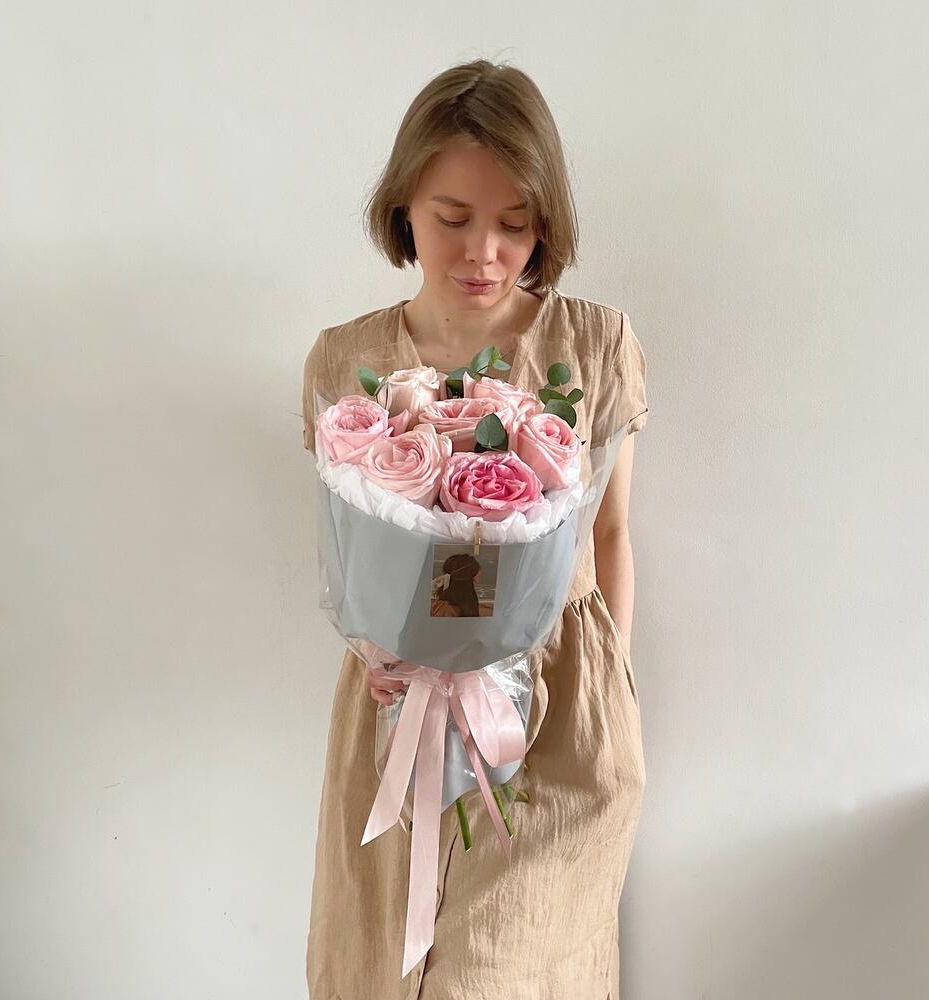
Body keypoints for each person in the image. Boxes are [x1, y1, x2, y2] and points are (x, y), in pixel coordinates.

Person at [302, 57, 649, 1000]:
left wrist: (611, 687)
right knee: (383, 968)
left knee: (505, 970)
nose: (483, 252)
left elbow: (609, 535)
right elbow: (351, 553)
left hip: (555, 705)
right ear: (404, 205)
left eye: (515, 224)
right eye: (452, 218)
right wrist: (379, 648)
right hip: (398, 706)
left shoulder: (593, 346)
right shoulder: (346, 361)